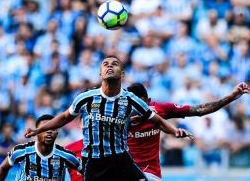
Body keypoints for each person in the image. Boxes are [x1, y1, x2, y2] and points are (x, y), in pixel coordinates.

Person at [24, 55, 192, 181]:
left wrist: (174, 130)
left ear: (122, 73)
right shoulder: (86, 98)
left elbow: (156, 120)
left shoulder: (130, 100)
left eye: (114, 64)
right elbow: (64, 117)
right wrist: (39, 130)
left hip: (121, 158)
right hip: (95, 162)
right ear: (100, 73)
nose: (109, 66)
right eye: (105, 64)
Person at [66, 82, 250, 181]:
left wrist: (232, 96)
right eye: (134, 105)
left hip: (150, 172)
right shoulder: (118, 113)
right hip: (121, 170)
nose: (138, 110)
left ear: (149, 101)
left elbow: (199, 109)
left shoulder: (159, 110)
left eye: (142, 104)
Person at [0, 114, 81, 181]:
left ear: (57, 132)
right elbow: (3, 167)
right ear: (36, 131)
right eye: (44, 129)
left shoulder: (66, 156)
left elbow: (87, 170)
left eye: (53, 128)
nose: (49, 132)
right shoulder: (21, 151)